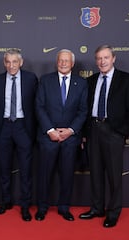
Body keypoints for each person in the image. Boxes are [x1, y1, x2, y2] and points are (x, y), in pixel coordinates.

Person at [79, 45, 129, 227]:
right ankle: (97, 208)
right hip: (93, 130)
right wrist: (84, 134)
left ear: (113, 58)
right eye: (99, 58)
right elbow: (84, 110)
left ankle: (113, 212)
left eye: (106, 57)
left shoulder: (126, 79)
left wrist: (122, 132)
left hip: (114, 132)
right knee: (95, 173)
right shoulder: (90, 81)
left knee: (114, 175)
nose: (102, 61)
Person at [35, 49, 88, 221]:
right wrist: (50, 130)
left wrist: (70, 131)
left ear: (72, 63)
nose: (63, 63)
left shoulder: (81, 83)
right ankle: (42, 207)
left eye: (67, 61)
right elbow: (39, 107)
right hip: (48, 136)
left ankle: (64, 207)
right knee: (44, 175)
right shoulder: (45, 80)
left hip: (70, 138)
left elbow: (83, 111)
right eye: (60, 60)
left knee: (67, 174)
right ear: (56, 62)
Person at [0, 48, 38, 221]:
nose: (11, 65)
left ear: (21, 62)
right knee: (4, 168)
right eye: (8, 62)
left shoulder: (31, 79)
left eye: (15, 62)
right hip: (3, 127)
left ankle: (25, 206)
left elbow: (36, 105)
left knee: (26, 170)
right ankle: (5, 202)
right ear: (4, 63)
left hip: (23, 127)